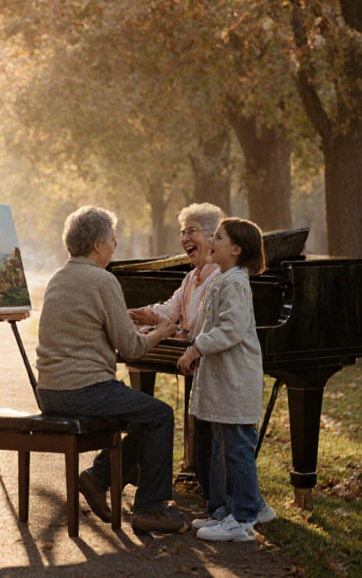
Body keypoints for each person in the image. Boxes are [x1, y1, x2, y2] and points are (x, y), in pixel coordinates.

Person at [36, 206, 188, 534]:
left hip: (49, 393)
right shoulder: (102, 280)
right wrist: (162, 331)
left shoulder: (58, 278)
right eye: (112, 242)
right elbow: (131, 349)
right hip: (84, 392)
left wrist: (131, 333)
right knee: (160, 415)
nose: (113, 247)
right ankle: (150, 508)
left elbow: (86, 336)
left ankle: (98, 477)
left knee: (142, 416)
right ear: (97, 245)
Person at [177, 218, 275, 542]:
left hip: (235, 382)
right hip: (223, 384)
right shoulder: (222, 278)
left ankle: (244, 521)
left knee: (236, 450)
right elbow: (207, 323)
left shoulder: (234, 283)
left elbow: (231, 330)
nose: (211, 242)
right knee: (223, 446)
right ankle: (228, 510)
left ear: (235, 249)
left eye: (217, 237)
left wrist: (195, 349)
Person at [128, 203, 223, 505]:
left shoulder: (220, 278)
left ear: (212, 237)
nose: (184, 239)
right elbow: (170, 309)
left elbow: (204, 326)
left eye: (191, 231)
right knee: (202, 434)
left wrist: (174, 330)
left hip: (213, 364)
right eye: (182, 232)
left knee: (212, 437)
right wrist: (145, 315)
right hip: (195, 355)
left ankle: (218, 501)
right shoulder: (190, 278)